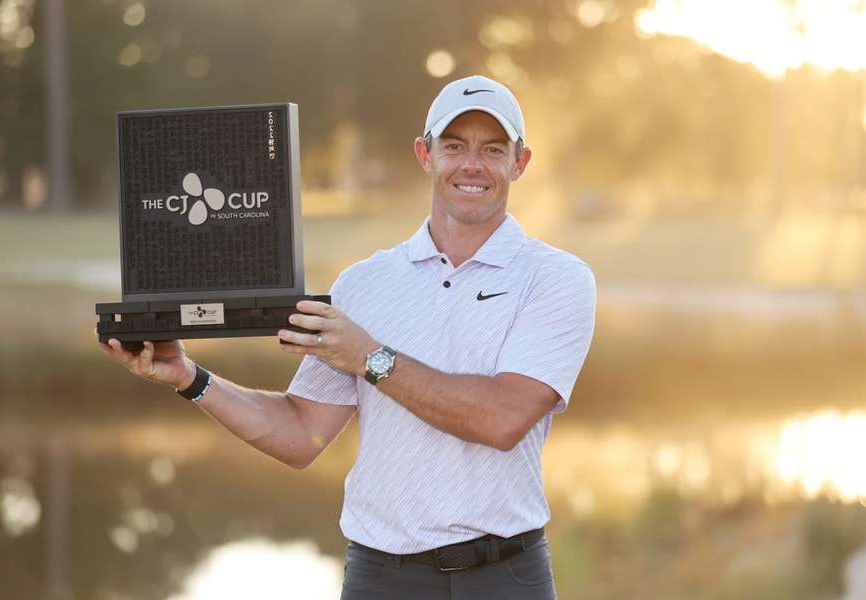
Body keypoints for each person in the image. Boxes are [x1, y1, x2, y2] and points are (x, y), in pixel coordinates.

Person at [98, 74, 596, 600]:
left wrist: (370, 358)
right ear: (425, 155)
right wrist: (191, 378)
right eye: (454, 146)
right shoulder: (364, 284)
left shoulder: (555, 278)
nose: (472, 164)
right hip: (383, 577)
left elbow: (501, 419)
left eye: (493, 149)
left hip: (505, 577)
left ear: (520, 163)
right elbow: (300, 435)